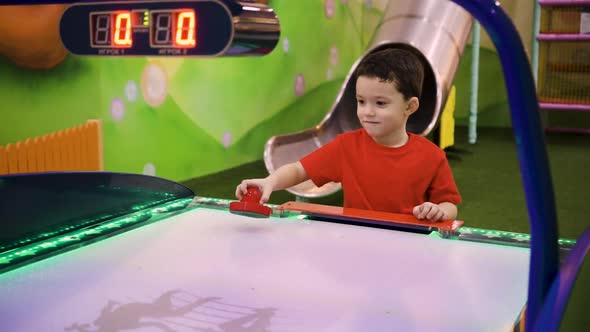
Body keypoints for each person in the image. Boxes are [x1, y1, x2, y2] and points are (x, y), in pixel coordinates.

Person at [235, 48, 461, 221]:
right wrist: (270, 181)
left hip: (408, 245)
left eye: (380, 103)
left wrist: (438, 210)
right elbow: (298, 170)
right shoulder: (346, 146)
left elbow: (449, 205)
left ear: (410, 107)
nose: (367, 112)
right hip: (354, 241)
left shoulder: (432, 156)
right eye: (361, 101)